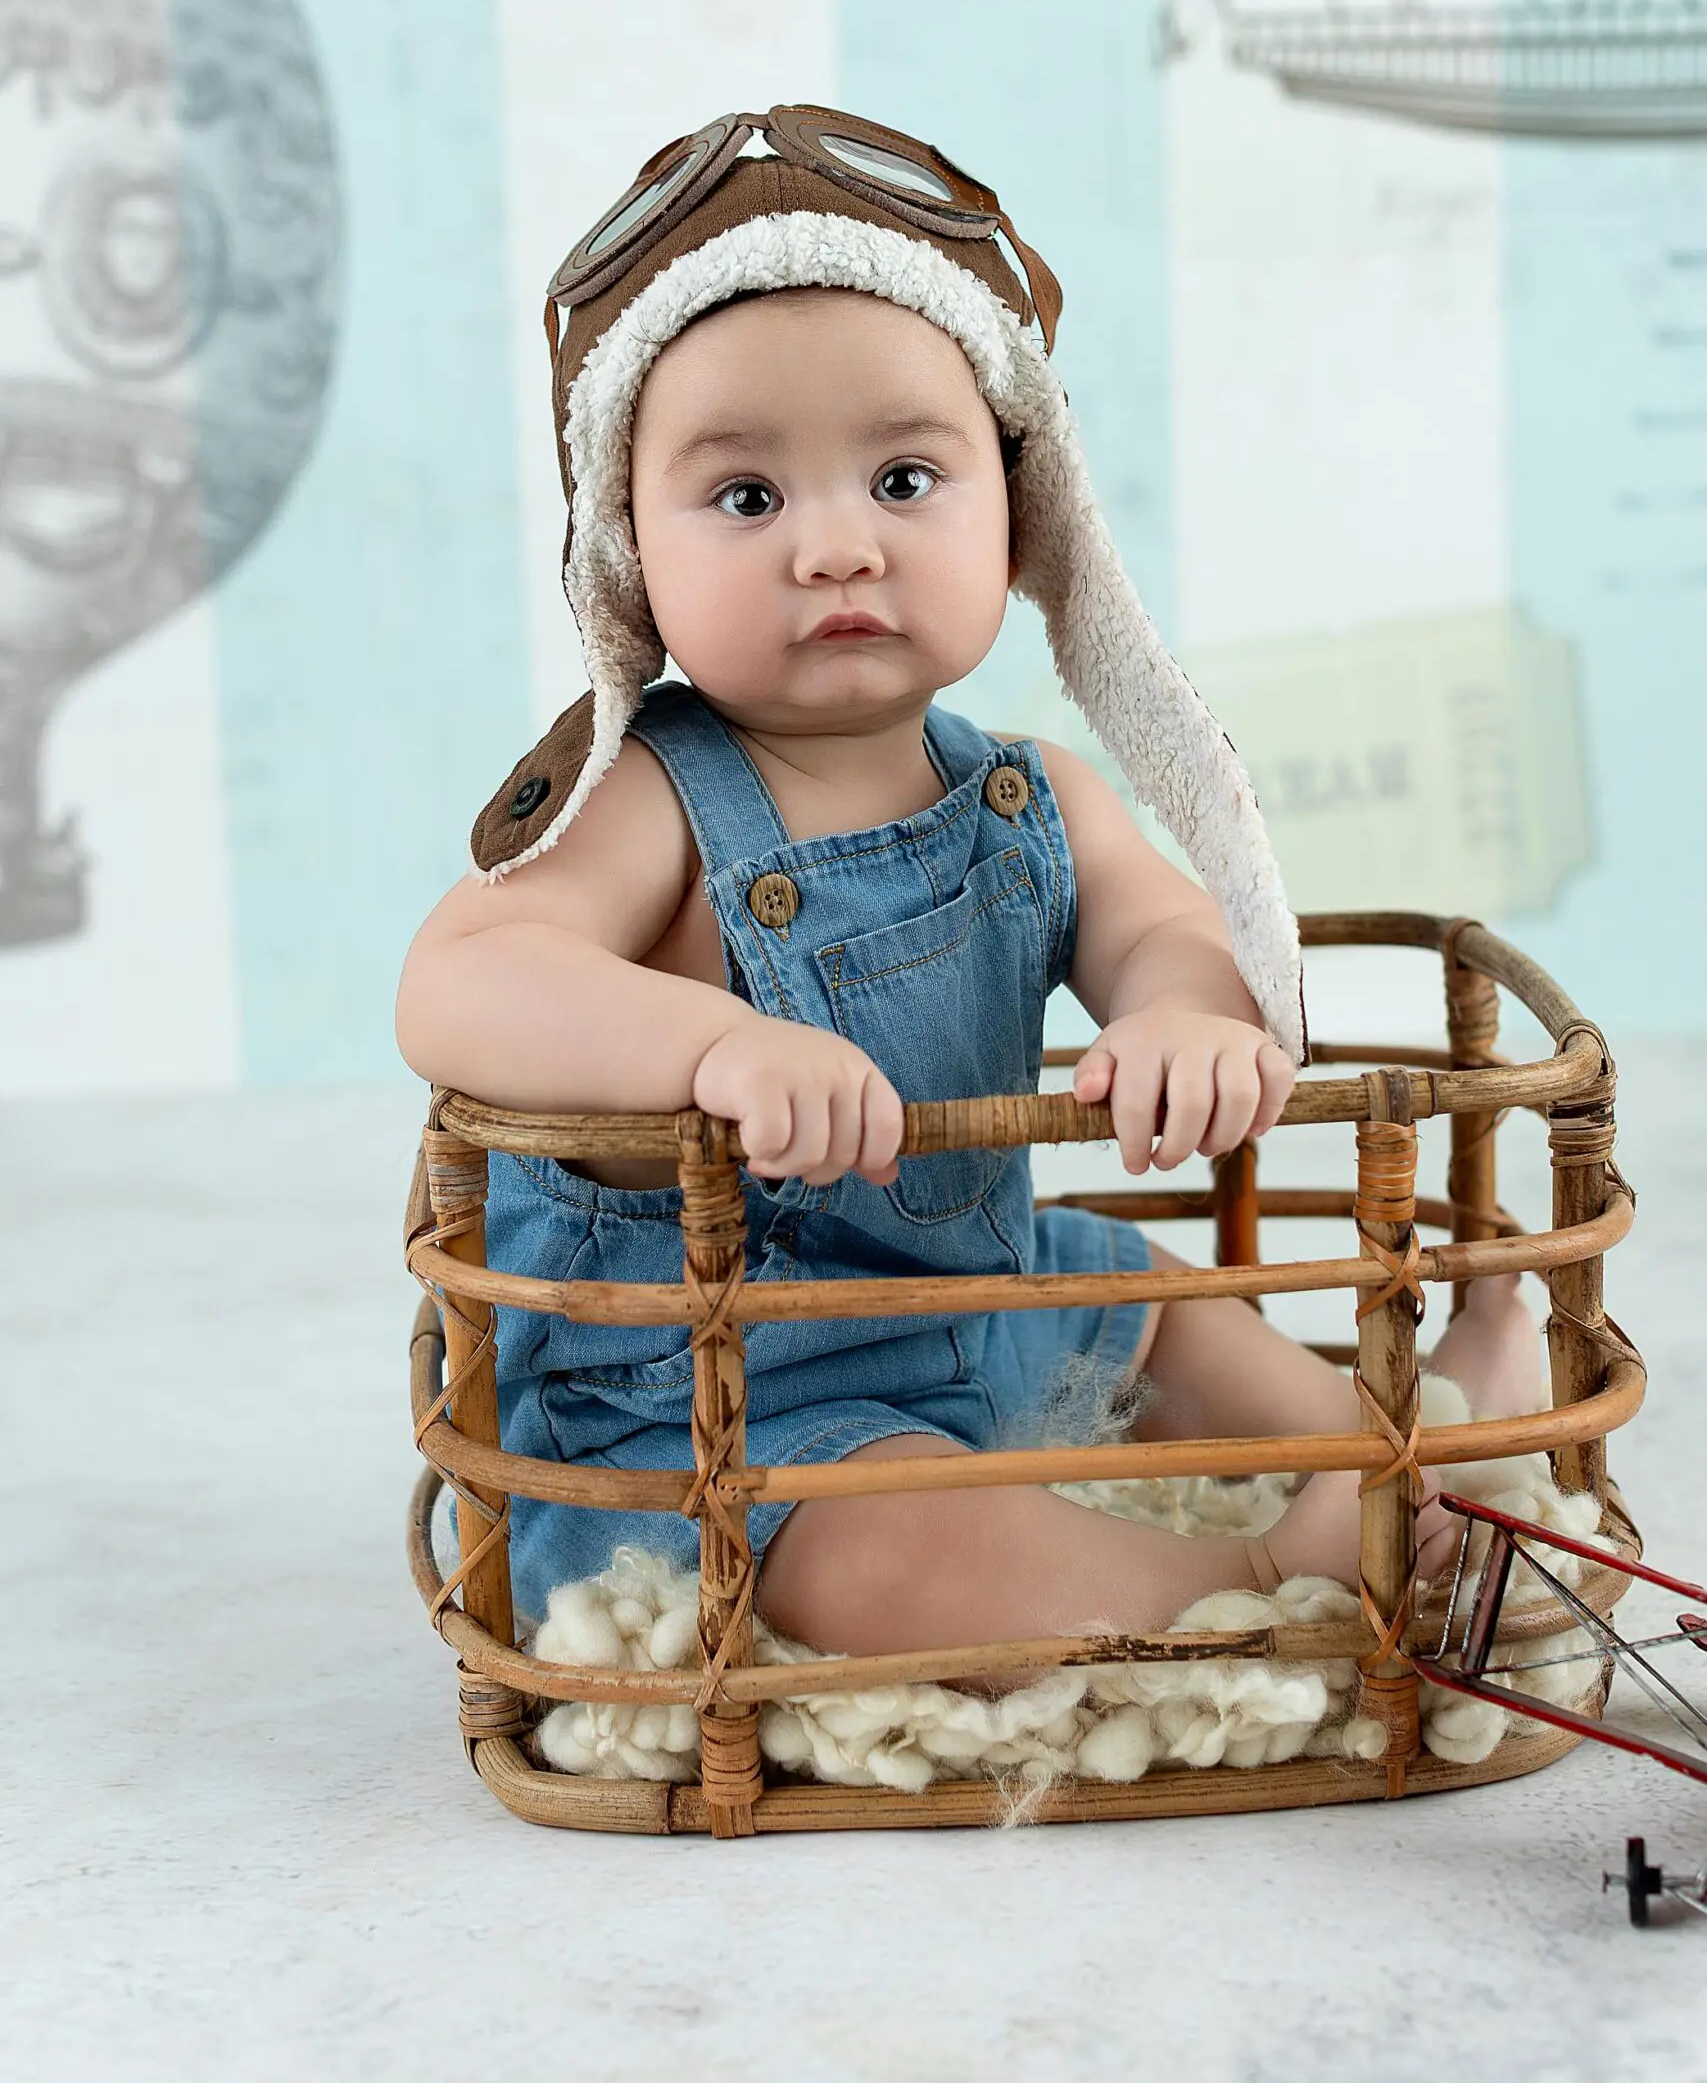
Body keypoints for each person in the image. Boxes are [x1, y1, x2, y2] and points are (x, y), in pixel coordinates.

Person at [395, 104, 1540, 1655]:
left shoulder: (1032, 793)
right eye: (746, 498)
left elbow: (1161, 925)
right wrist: (713, 1046)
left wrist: (1186, 1016)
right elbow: (458, 979)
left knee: (1149, 1300)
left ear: (1017, 516)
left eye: (903, 479)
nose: (834, 549)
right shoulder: (651, 797)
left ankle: (1396, 1442)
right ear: (629, 560)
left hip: (983, 1298)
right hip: (716, 1393)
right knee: (893, 1548)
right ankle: (1261, 1583)